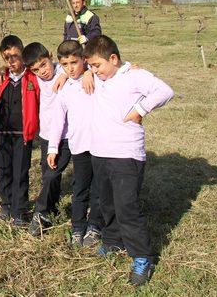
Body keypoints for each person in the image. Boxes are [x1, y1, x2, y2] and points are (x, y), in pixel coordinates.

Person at [84, 35, 173, 286]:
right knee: (107, 203)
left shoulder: (134, 75)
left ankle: (142, 257)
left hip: (126, 154)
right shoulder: (99, 76)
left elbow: (165, 91)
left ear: (113, 58)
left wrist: (140, 110)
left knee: (127, 207)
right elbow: (66, 66)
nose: (95, 71)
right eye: (91, 66)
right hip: (100, 152)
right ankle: (112, 241)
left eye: (97, 66)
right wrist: (89, 72)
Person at [46, 40, 102, 247]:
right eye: (65, 64)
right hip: (79, 146)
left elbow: (115, 64)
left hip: (101, 145)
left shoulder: (96, 78)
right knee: (80, 188)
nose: (70, 68)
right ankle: (78, 227)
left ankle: (95, 225)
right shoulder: (64, 88)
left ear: (83, 60)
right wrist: (52, 148)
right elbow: (58, 121)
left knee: (98, 188)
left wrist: (88, 71)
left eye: (74, 62)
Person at [0, 35, 39, 225]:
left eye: (15, 56)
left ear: (23, 54)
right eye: (7, 58)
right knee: (4, 170)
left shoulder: (33, 77)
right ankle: (6, 204)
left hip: (22, 134)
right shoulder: (1, 78)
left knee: (20, 171)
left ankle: (19, 210)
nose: (11, 61)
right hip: (3, 133)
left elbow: (52, 67)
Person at [22, 42, 73, 236]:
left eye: (44, 65)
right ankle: (51, 207)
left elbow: (85, 62)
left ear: (50, 57)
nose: (42, 72)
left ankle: (41, 213)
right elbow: (16, 70)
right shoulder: (33, 78)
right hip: (46, 134)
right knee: (48, 176)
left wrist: (65, 73)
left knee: (52, 173)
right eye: (36, 69)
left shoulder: (64, 70)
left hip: (66, 135)